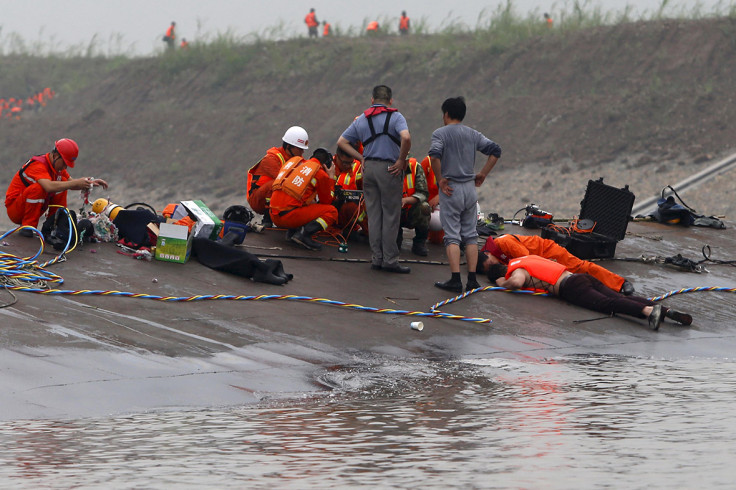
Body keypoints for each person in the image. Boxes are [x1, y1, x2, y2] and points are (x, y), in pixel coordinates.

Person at [487, 255, 693, 330]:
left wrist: (502, 284)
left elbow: (516, 282)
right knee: (619, 297)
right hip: (580, 276)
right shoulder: (527, 257)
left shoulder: (516, 269)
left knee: (607, 305)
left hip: (571, 288)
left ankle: (649, 312)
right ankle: (666, 311)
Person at [429, 96, 501, 293]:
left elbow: (434, 156)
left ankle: (454, 280)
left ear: (446, 114)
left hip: (451, 188)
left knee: (452, 236)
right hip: (470, 189)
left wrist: (440, 178)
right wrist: (483, 174)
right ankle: (471, 280)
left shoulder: (440, 133)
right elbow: (496, 150)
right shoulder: (473, 134)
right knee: (470, 235)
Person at [338, 85, 411, 273]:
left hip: (369, 168)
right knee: (391, 215)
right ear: (391, 101)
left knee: (374, 214)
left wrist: (362, 158)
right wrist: (401, 160)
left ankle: (376, 258)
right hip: (390, 169)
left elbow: (341, 142)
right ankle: (390, 260)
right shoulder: (396, 117)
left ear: (372, 100)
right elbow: (406, 137)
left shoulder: (362, 119)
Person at [5, 138, 108, 236]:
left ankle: (53, 224)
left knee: (62, 184)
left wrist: (89, 183)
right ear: (55, 155)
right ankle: (28, 227)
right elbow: (49, 187)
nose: (65, 167)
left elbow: (71, 183)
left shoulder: (56, 167)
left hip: (29, 206)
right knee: (40, 188)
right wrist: (75, 183)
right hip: (15, 209)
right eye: (64, 163)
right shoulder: (38, 165)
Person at [478, 235, 635, 295]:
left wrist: (548, 266)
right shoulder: (496, 255)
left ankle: (620, 283)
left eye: (490, 264)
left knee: (580, 267)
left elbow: (528, 259)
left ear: (487, 254)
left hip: (548, 252)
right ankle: (599, 288)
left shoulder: (503, 243)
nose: (494, 266)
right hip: (539, 260)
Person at [269, 148, 337, 251]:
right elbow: (326, 201)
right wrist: (331, 178)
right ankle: (304, 236)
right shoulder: (320, 173)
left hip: (273, 215)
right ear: (326, 165)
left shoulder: (296, 162)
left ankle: (292, 233)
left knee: (302, 201)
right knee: (331, 211)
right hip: (288, 218)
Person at [247, 126, 309, 227]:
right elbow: (284, 181)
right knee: (278, 184)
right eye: (300, 149)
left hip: (275, 198)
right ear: (289, 146)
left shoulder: (297, 159)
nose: (303, 152)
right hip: (258, 200)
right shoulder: (271, 159)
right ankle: (267, 218)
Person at [333, 145, 368, 240]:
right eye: (345, 163)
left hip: (350, 210)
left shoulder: (358, 168)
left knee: (354, 207)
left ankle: (369, 233)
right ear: (337, 157)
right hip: (332, 208)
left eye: (350, 163)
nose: (348, 166)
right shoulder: (329, 166)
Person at [398, 157, 430, 256]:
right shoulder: (387, 168)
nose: (404, 163)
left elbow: (423, 193)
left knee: (425, 207)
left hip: (410, 208)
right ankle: (395, 239)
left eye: (406, 160)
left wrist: (406, 200)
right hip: (392, 209)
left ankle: (419, 242)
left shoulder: (416, 167)